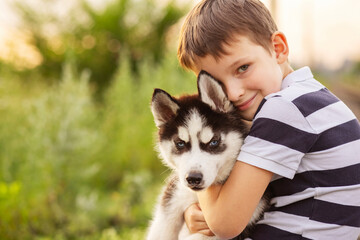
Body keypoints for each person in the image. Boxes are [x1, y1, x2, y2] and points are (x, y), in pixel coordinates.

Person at [177, 0, 360, 239]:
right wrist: (196, 212)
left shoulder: (283, 109)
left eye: (242, 68)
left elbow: (223, 223)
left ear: (278, 48)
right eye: (217, 84)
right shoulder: (311, 99)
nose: (232, 93)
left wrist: (195, 165)